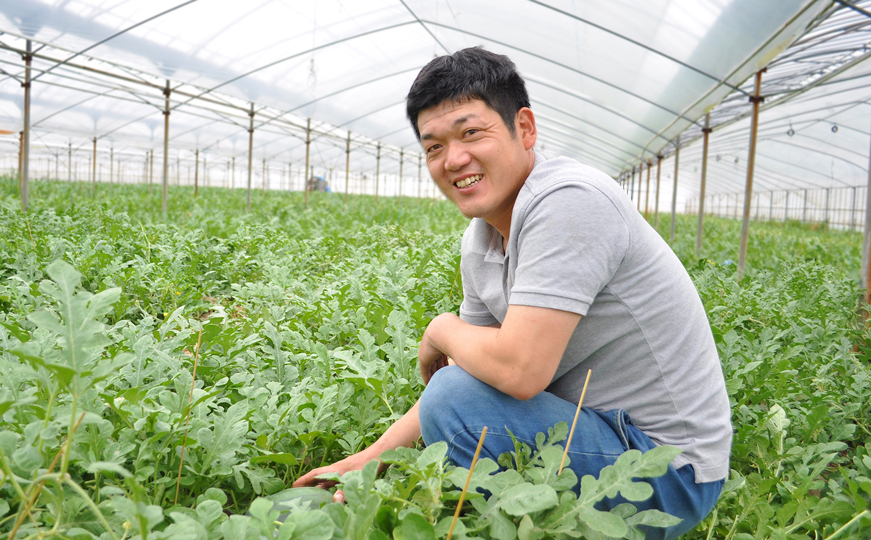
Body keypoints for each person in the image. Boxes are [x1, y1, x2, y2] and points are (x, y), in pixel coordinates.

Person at [294, 47, 731, 540]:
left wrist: (442, 328)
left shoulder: (571, 200)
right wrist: (371, 460)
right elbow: (470, 375)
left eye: (471, 133)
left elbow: (518, 372)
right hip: (599, 434)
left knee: (456, 399)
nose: (453, 159)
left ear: (525, 128)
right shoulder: (481, 238)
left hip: (667, 470)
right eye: (433, 146)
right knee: (457, 391)